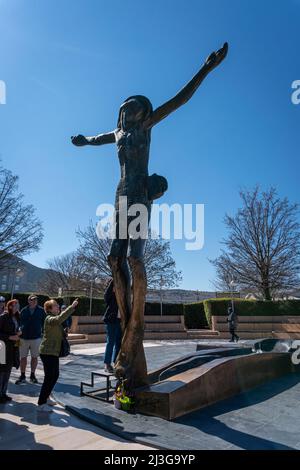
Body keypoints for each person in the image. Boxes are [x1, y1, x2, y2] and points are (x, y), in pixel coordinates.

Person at [71, 42, 229, 387]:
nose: (129, 113)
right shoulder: (116, 133)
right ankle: (127, 321)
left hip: (141, 194)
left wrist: (206, 68)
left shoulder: (146, 128)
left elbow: (179, 100)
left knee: (135, 259)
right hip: (119, 196)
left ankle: (136, 325)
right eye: (125, 109)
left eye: (135, 109)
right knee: (115, 258)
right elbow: (96, 139)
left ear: (143, 113)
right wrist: (83, 140)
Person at [37, 298, 79, 412]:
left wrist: (64, 333)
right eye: (55, 305)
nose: (58, 307)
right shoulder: (49, 319)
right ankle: (41, 403)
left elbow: (59, 328)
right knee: (49, 377)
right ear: (50, 309)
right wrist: (72, 307)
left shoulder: (55, 320)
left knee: (54, 376)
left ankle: (47, 397)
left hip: (53, 352)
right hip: (47, 352)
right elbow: (59, 319)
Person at [16, 294, 46, 385]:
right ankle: (22, 375)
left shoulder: (41, 311)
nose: (34, 301)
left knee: (34, 357)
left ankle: (32, 375)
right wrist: (19, 329)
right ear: (28, 301)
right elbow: (19, 323)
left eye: (36, 300)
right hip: (23, 338)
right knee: (23, 358)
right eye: (32, 300)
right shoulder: (24, 310)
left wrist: (43, 334)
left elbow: (45, 323)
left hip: (36, 338)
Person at [0, 299, 21, 403]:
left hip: (12, 348)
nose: (17, 307)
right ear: (10, 306)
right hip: (2, 347)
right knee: (1, 371)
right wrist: (10, 337)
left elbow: (15, 329)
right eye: (15, 305)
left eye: (18, 305)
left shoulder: (16, 317)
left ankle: (3, 393)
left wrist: (18, 332)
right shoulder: (3, 317)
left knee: (7, 371)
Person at [103, 280, 122, 373]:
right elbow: (106, 296)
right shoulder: (111, 295)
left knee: (118, 342)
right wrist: (113, 283)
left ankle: (116, 362)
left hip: (120, 321)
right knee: (110, 342)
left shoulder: (122, 295)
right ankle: (107, 364)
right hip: (111, 321)